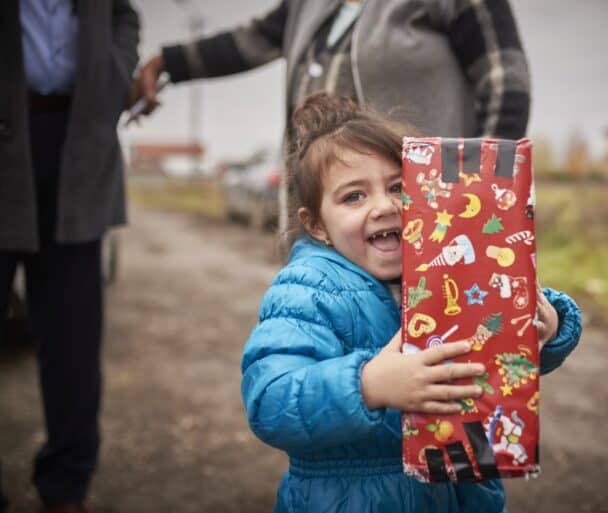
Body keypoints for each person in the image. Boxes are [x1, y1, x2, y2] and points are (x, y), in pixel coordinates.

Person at [240, 92, 582, 513]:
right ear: (317, 225)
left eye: (398, 187)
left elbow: (493, 357)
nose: (384, 206)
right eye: (354, 197)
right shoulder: (307, 289)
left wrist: (545, 326)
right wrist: (367, 386)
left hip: (463, 493)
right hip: (351, 499)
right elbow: (270, 402)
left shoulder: (442, 267)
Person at [130, 0, 532, 231]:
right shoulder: (310, 4)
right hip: (333, 224)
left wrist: (480, 190)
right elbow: (250, 42)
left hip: (425, 219)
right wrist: (169, 63)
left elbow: (505, 80)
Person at [0, 1, 140, 511]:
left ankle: (65, 487)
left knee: (74, 344)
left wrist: (116, 68)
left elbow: (124, 16)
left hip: (77, 150)